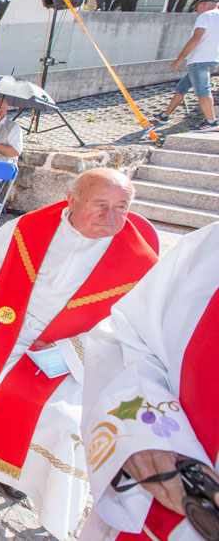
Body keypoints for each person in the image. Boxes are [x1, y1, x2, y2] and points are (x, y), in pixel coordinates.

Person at [0, 169, 158, 539]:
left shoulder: (139, 262)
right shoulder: (32, 226)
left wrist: (70, 350)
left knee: (61, 422)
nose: (110, 217)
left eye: (121, 207)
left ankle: (19, 474)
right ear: (71, 199)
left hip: (72, 347)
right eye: (100, 204)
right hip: (5, 319)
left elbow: (133, 329)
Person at [80, 222, 219, 541]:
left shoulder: (138, 253)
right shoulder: (211, 252)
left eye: (121, 206)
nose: (110, 216)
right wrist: (143, 437)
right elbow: (129, 337)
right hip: (170, 495)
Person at [152, 0, 219, 131]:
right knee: (182, 87)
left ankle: (211, 122)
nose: (197, 11)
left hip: (199, 60)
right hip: (211, 59)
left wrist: (179, 59)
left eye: (197, 7)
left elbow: (195, 39)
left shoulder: (206, 16)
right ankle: (164, 116)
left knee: (203, 90)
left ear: (204, 4)